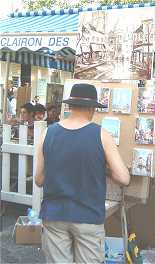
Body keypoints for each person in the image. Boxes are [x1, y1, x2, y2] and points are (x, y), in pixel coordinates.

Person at [35, 83, 130, 263]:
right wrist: (104, 168)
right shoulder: (101, 135)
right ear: (92, 109)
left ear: (70, 106)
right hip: (88, 215)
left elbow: (39, 180)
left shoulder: (48, 133)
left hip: (54, 214)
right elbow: (123, 178)